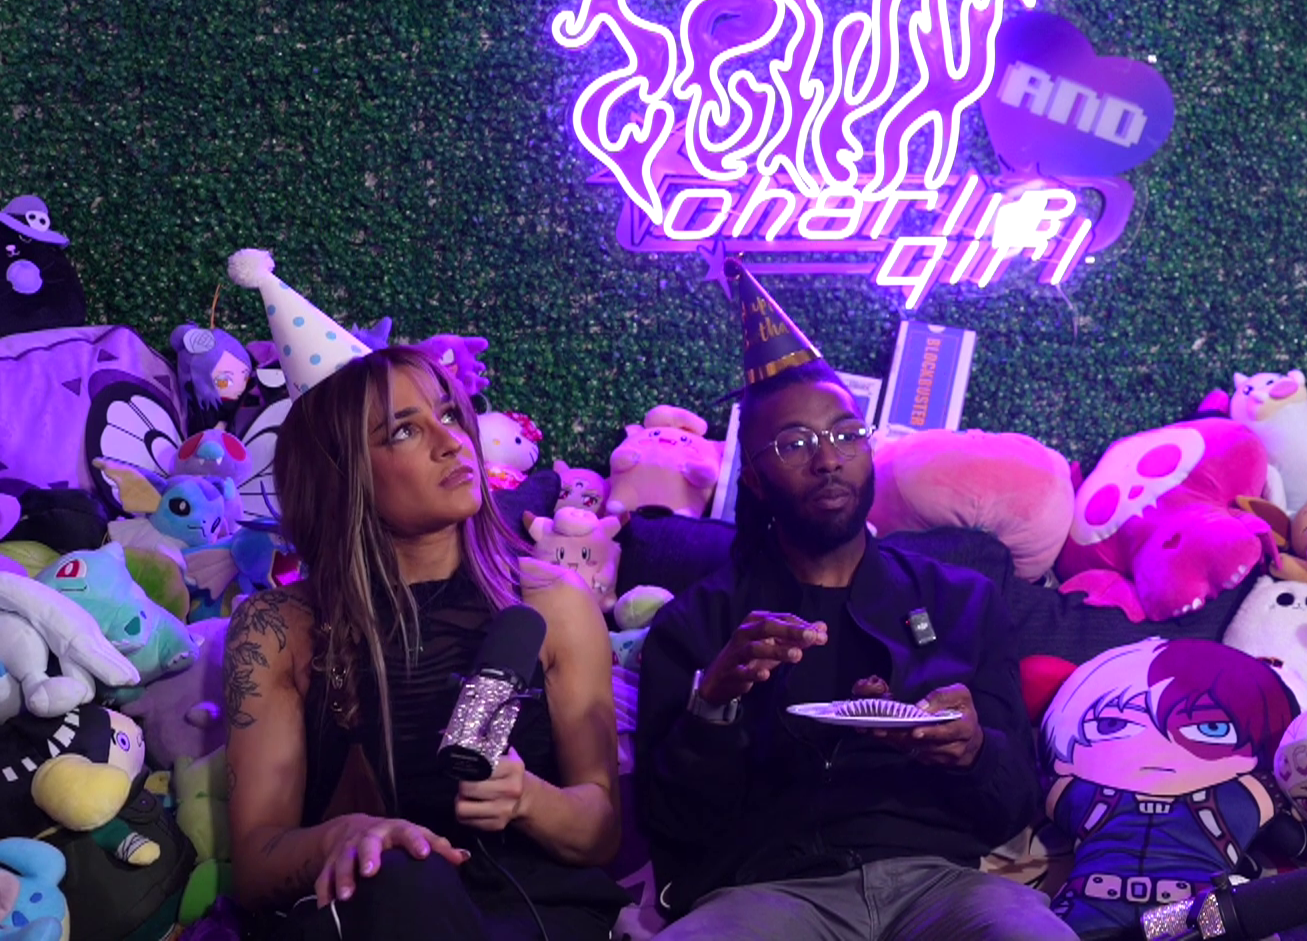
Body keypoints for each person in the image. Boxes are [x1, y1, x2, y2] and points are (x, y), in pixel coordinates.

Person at [636, 261, 1076, 940]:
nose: (828, 459)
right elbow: (672, 826)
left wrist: (973, 751)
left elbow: (1012, 802)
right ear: (755, 479)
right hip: (769, 892)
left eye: (846, 434)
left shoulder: (962, 601)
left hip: (938, 884)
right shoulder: (700, 623)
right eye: (795, 444)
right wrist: (713, 705)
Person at [223, 346, 630, 940]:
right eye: (404, 431)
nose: (451, 441)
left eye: (450, 414)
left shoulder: (554, 602)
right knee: (402, 879)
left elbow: (602, 831)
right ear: (341, 474)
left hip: (533, 917)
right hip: (371, 913)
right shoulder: (276, 627)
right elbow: (257, 866)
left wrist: (528, 798)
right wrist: (345, 837)